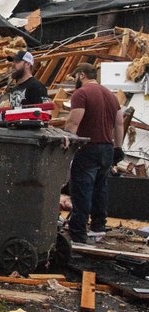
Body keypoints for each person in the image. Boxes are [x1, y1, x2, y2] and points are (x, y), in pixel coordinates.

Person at [65, 62, 124, 244]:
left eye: (76, 76)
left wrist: (66, 142)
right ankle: (98, 228)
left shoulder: (81, 93)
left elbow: (74, 122)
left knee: (82, 190)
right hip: (107, 148)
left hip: (88, 147)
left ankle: (78, 233)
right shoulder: (111, 95)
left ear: (81, 75)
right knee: (100, 189)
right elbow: (119, 123)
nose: (75, 80)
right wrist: (118, 148)